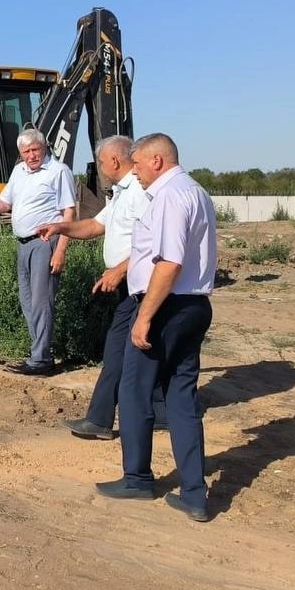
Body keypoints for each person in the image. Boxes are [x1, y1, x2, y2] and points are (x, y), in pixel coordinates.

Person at [93, 133, 217, 521]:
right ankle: (194, 494)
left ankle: (137, 477)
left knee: (134, 390)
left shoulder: (168, 197)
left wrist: (144, 316)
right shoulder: (196, 191)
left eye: (140, 165)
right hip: (195, 305)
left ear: (158, 161)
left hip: (166, 305)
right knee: (181, 397)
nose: (137, 172)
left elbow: (169, 263)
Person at [36, 135, 168, 438]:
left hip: (138, 284)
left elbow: (150, 245)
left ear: (113, 161)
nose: (100, 166)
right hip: (129, 283)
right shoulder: (121, 193)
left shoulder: (139, 192)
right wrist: (60, 227)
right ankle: (160, 412)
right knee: (145, 346)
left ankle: (100, 420)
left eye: (101, 160)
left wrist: (119, 270)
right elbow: (96, 225)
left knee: (117, 350)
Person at [0, 128, 76, 375]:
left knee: (41, 301)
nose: (31, 155)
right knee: (28, 302)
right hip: (23, 244)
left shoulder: (58, 172)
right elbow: (4, 204)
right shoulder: (19, 172)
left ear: (44, 148)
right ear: (21, 153)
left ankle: (41, 360)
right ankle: (41, 352)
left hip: (46, 242)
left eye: (35, 150)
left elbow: (69, 213)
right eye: (26, 152)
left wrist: (61, 251)